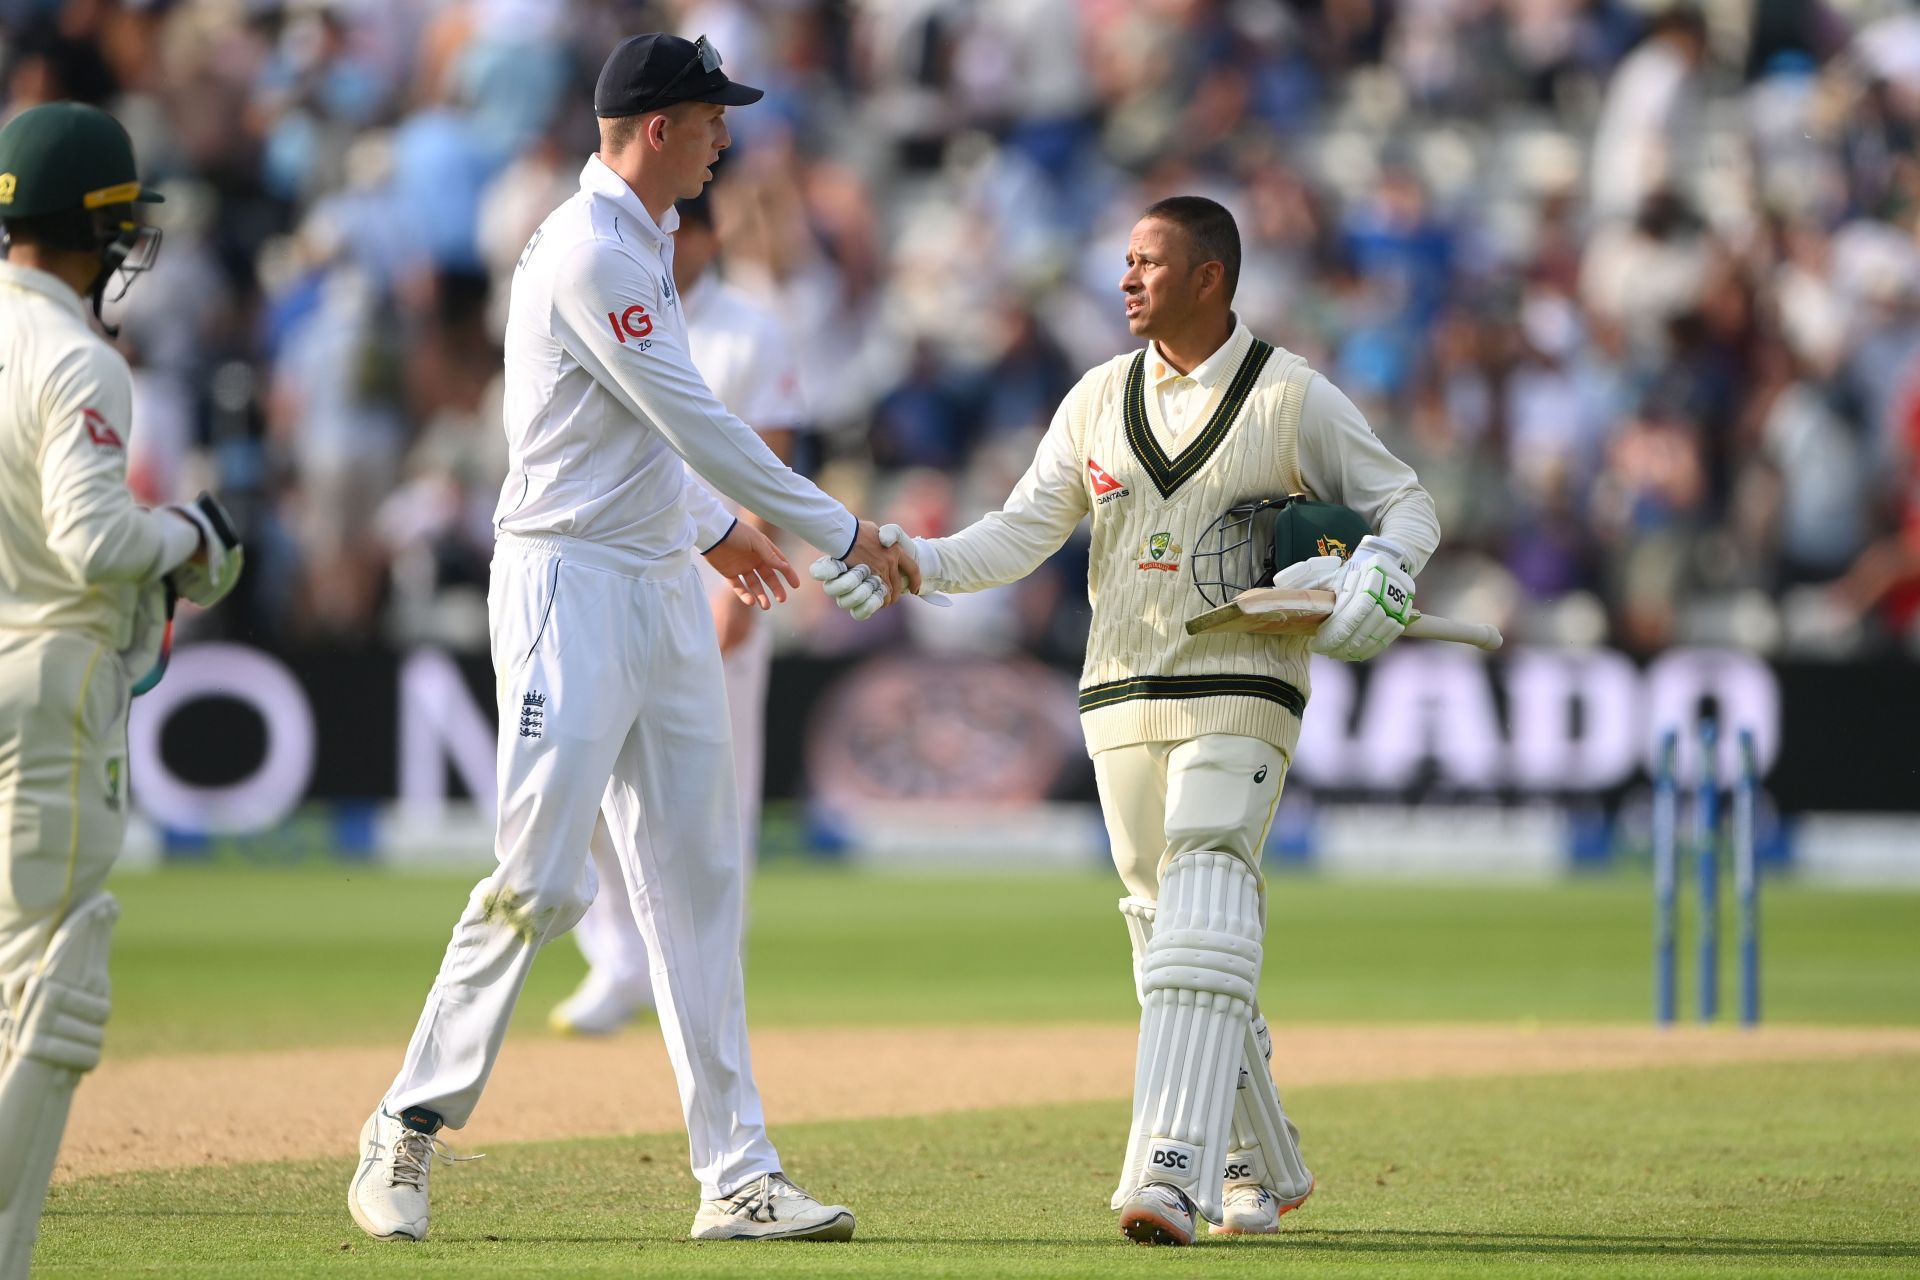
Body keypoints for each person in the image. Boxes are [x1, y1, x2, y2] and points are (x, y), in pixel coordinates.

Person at [347, 33, 913, 1246]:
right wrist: (843, 532)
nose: (728, 136)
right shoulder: (592, 249)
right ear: (659, 125)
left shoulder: (644, 239)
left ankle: (737, 1173)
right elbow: (692, 417)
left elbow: (639, 435)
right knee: (543, 877)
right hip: (567, 585)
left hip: (652, 581)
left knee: (698, 877)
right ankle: (406, 1118)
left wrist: (711, 532)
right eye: (713, 117)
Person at [817, 196, 1440, 1245]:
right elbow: (1022, 529)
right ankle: (1262, 1164)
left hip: (1243, 681)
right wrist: (915, 558)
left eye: (1150, 262)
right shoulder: (1098, 395)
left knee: (1203, 881)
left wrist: (1380, 565)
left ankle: (1167, 1171)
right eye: (1124, 261)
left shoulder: (1294, 395)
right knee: (1168, 937)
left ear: (1211, 277)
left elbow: (1407, 503)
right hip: (1118, 692)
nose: (1128, 279)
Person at [0, 103, 243, 1280]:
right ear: (100, 226)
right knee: (46, 987)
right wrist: (188, 534)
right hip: (48, 694)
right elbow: (94, 538)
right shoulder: (74, 355)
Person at [550, 189, 803, 1037]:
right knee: (585, 770)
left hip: (722, 566)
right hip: (621, 559)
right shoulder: (616, 294)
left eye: (688, 229)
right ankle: (620, 960)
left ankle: (708, 972)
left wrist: (742, 587)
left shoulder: (750, 326)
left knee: (717, 791)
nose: (675, 241)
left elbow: (772, 456)